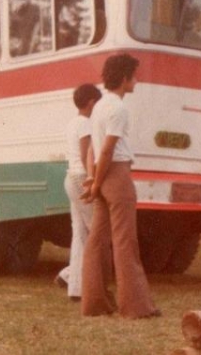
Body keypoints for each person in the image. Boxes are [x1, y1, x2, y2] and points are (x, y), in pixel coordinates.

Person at [81, 53, 160, 319]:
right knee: (125, 241)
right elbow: (107, 151)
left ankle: (94, 303)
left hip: (103, 178)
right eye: (134, 76)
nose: (136, 80)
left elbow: (94, 149)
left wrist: (93, 181)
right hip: (117, 176)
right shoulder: (118, 109)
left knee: (97, 241)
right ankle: (136, 306)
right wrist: (98, 181)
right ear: (124, 78)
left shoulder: (100, 106)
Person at [55, 83, 102, 301]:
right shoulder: (85, 124)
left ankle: (74, 284)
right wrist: (93, 181)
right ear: (91, 103)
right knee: (96, 230)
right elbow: (86, 156)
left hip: (70, 177)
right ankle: (86, 282)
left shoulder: (72, 123)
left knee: (80, 233)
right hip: (81, 178)